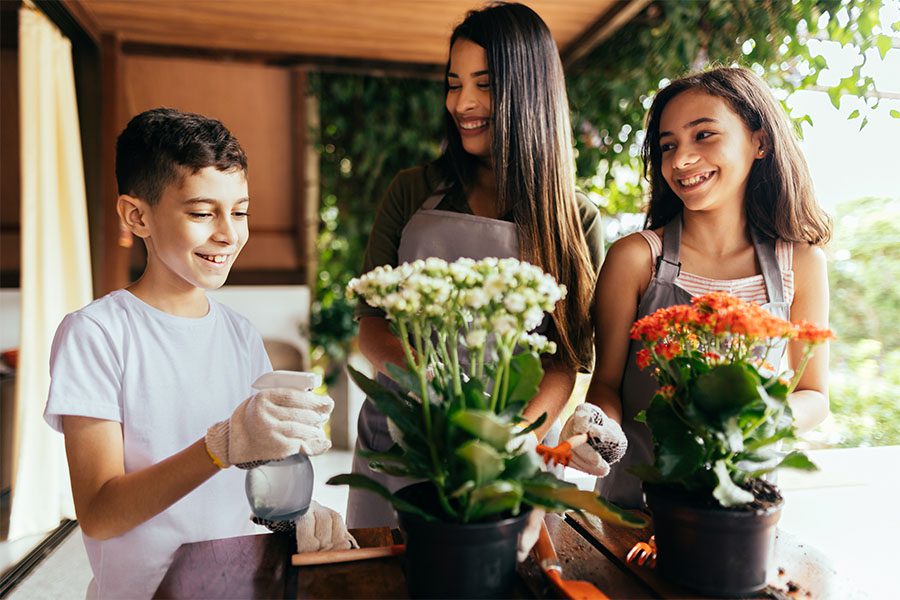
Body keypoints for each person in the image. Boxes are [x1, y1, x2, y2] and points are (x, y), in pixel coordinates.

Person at [44, 108, 353, 599]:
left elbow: (258, 474)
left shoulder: (240, 335)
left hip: (238, 584)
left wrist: (298, 514)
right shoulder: (96, 334)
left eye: (240, 210)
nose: (229, 233)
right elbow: (100, 514)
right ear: (137, 215)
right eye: (202, 212)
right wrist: (219, 447)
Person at [348, 2, 626, 533]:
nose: (463, 103)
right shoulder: (410, 191)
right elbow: (372, 322)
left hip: (510, 456)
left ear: (529, 91)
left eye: (484, 83)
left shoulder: (574, 219)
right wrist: (428, 394)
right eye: (453, 84)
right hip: (406, 436)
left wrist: (514, 435)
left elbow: (567, 360)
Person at [580, 66, 831, 508]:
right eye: (668, 146)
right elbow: (606, 384)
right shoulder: (636, 259)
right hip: (634, 509)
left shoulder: (802, 263)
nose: (680, 161)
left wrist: (748, 422)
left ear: (760, 141)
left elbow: (813, 396)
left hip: (742, 514)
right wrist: (597, 428)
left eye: (704, 135)